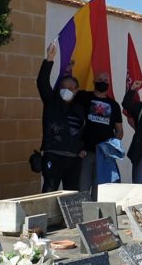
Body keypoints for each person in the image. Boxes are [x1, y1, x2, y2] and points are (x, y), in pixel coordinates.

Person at [37, 42, 86, 192]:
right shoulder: (52, 103)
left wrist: (82, 148)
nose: (67, 90)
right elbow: (42, 83)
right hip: (53, 156)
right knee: (49, 192)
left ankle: (68, 217)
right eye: (63, 88)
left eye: (70, 88)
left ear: (76, 90)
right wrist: (49, 59)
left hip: (74, 159)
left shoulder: (79, 109)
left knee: (72, 194)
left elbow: (83, 132)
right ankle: (45, 216)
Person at [76, 70, 123, 199]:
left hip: (104, 155)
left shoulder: (114, 105)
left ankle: (96, 217)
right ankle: (82, 217)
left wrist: (111, 147)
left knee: (100, 189)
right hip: (85, 152)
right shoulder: (83, 97)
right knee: (83, 188)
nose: (103, 83)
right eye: (100, 80)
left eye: (106, 81)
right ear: (94, 81)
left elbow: (119, 131)